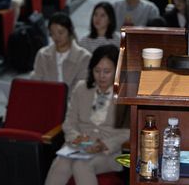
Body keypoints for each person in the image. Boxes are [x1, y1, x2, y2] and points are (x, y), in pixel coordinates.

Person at [44, 45, 129, 185]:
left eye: (107, 71)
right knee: (60, 164)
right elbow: (69, 123)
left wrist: (104, 145)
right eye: (97, 71)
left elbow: (128, 132)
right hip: (78, 147)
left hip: (107, 152)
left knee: (81, 166)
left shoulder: (124, 95)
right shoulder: (81, 88)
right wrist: (77, 138)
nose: (101, 76)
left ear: (117, 71)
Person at [32, 12, 91, 92]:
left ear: (70, 32)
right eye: (52, 33)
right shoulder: (43, 55)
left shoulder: (84, 57)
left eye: (61, 32)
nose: (56, 37)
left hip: (74, 102)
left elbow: (81, 90)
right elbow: (36, 84)